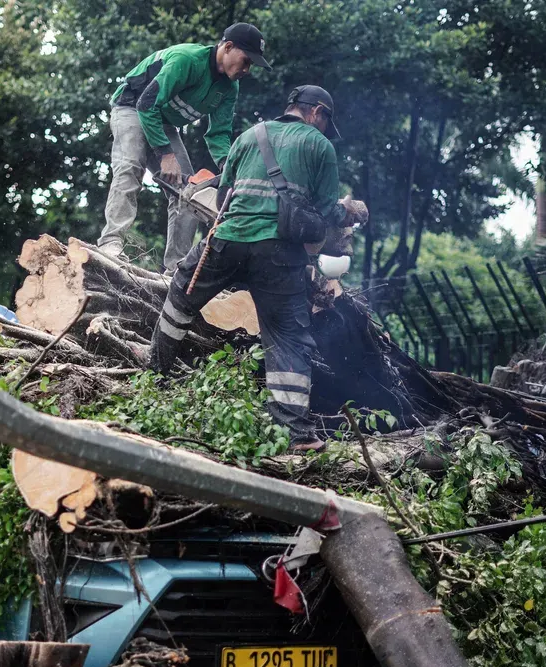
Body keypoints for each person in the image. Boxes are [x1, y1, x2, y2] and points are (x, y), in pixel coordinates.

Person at [148, 86, 369, 453]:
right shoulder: (320, 146)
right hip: (278, 254)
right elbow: (329, 210)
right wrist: (353, 211)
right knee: (286, 337)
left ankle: (154, 373)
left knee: (181, 295)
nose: (326, 129)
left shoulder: (250, 136)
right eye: (326, 121)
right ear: (316, 112)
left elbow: (223, 198)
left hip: (227, 240)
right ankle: (296, 435)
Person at [96, 23, 272, 273]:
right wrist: (165, 155)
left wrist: (229, 169)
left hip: (163, 121)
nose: (247, 69)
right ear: (228, 47)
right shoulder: (186, 60)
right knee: (130, 167)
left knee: (191, 194)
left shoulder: (229, 87)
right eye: (246, 60)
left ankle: (174, 269)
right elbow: (147, 104)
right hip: (132, 107)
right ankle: (110, 244)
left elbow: (219, 133)